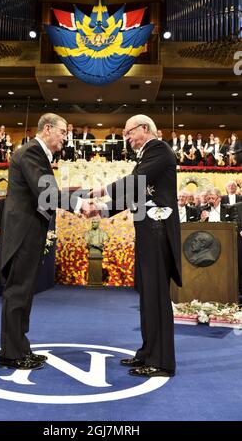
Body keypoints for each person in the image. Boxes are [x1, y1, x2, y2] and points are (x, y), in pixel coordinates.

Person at [0, 113, 93, 370]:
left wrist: (82, 196)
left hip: (29, 233)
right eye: (63, 132)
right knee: (18, 292)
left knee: (24, 292)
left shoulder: (36, 155)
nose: (65, 137)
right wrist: (80, 202)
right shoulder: (31, 153)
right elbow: (47, 194)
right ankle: (11, 353)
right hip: (23, 235)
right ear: (48, 129)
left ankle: (19, 347)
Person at [89, 114, 182, 378]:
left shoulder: (158, 149)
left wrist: (101, 192)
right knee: (147, 294)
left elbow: (133, 183)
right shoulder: (145, 156)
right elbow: (133, 194)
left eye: (129, 133)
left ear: (144, 129)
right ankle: (148, 351)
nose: (127, 139)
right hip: (148, 231)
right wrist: (103, 212)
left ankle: (162, 361)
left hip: (158, 230)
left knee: (156, 296)